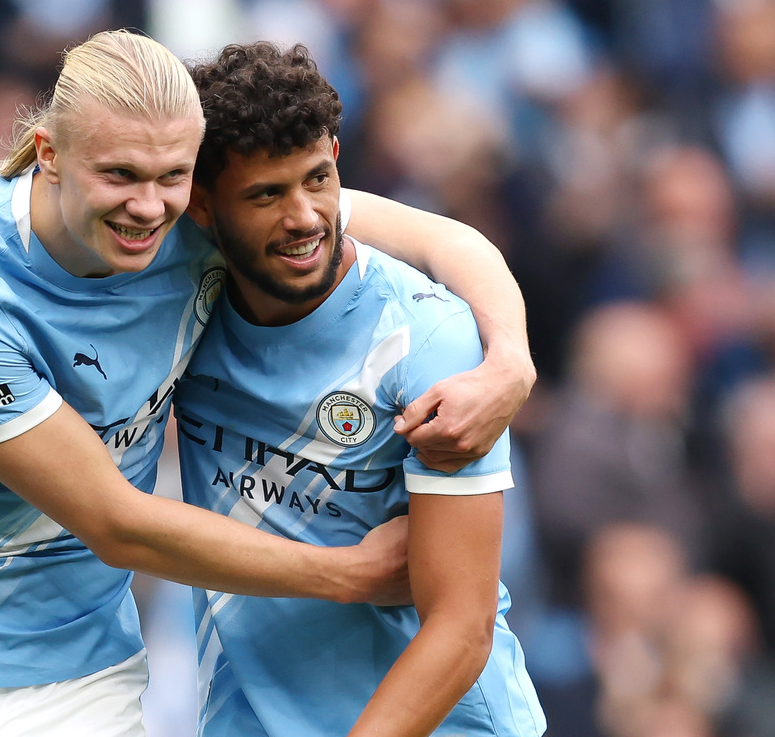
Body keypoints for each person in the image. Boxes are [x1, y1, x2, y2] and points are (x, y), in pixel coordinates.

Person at [0, 30, 536, 736]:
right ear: (50, 155)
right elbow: (114, 519)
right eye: (119, 174)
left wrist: (509, 360)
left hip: (78, 673)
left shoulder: (214, 233)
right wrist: (348, 573)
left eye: (171, 178)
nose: (148, 205)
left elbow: (444, 238)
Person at [172, 41, 544, 736]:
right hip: (244, 715)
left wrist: (513, 360)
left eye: (317, 179)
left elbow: (461, 629)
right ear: (201, 208)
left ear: (337, 158)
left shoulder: (428, 341)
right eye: (265, 195)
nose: (305, 217)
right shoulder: (174, 299)